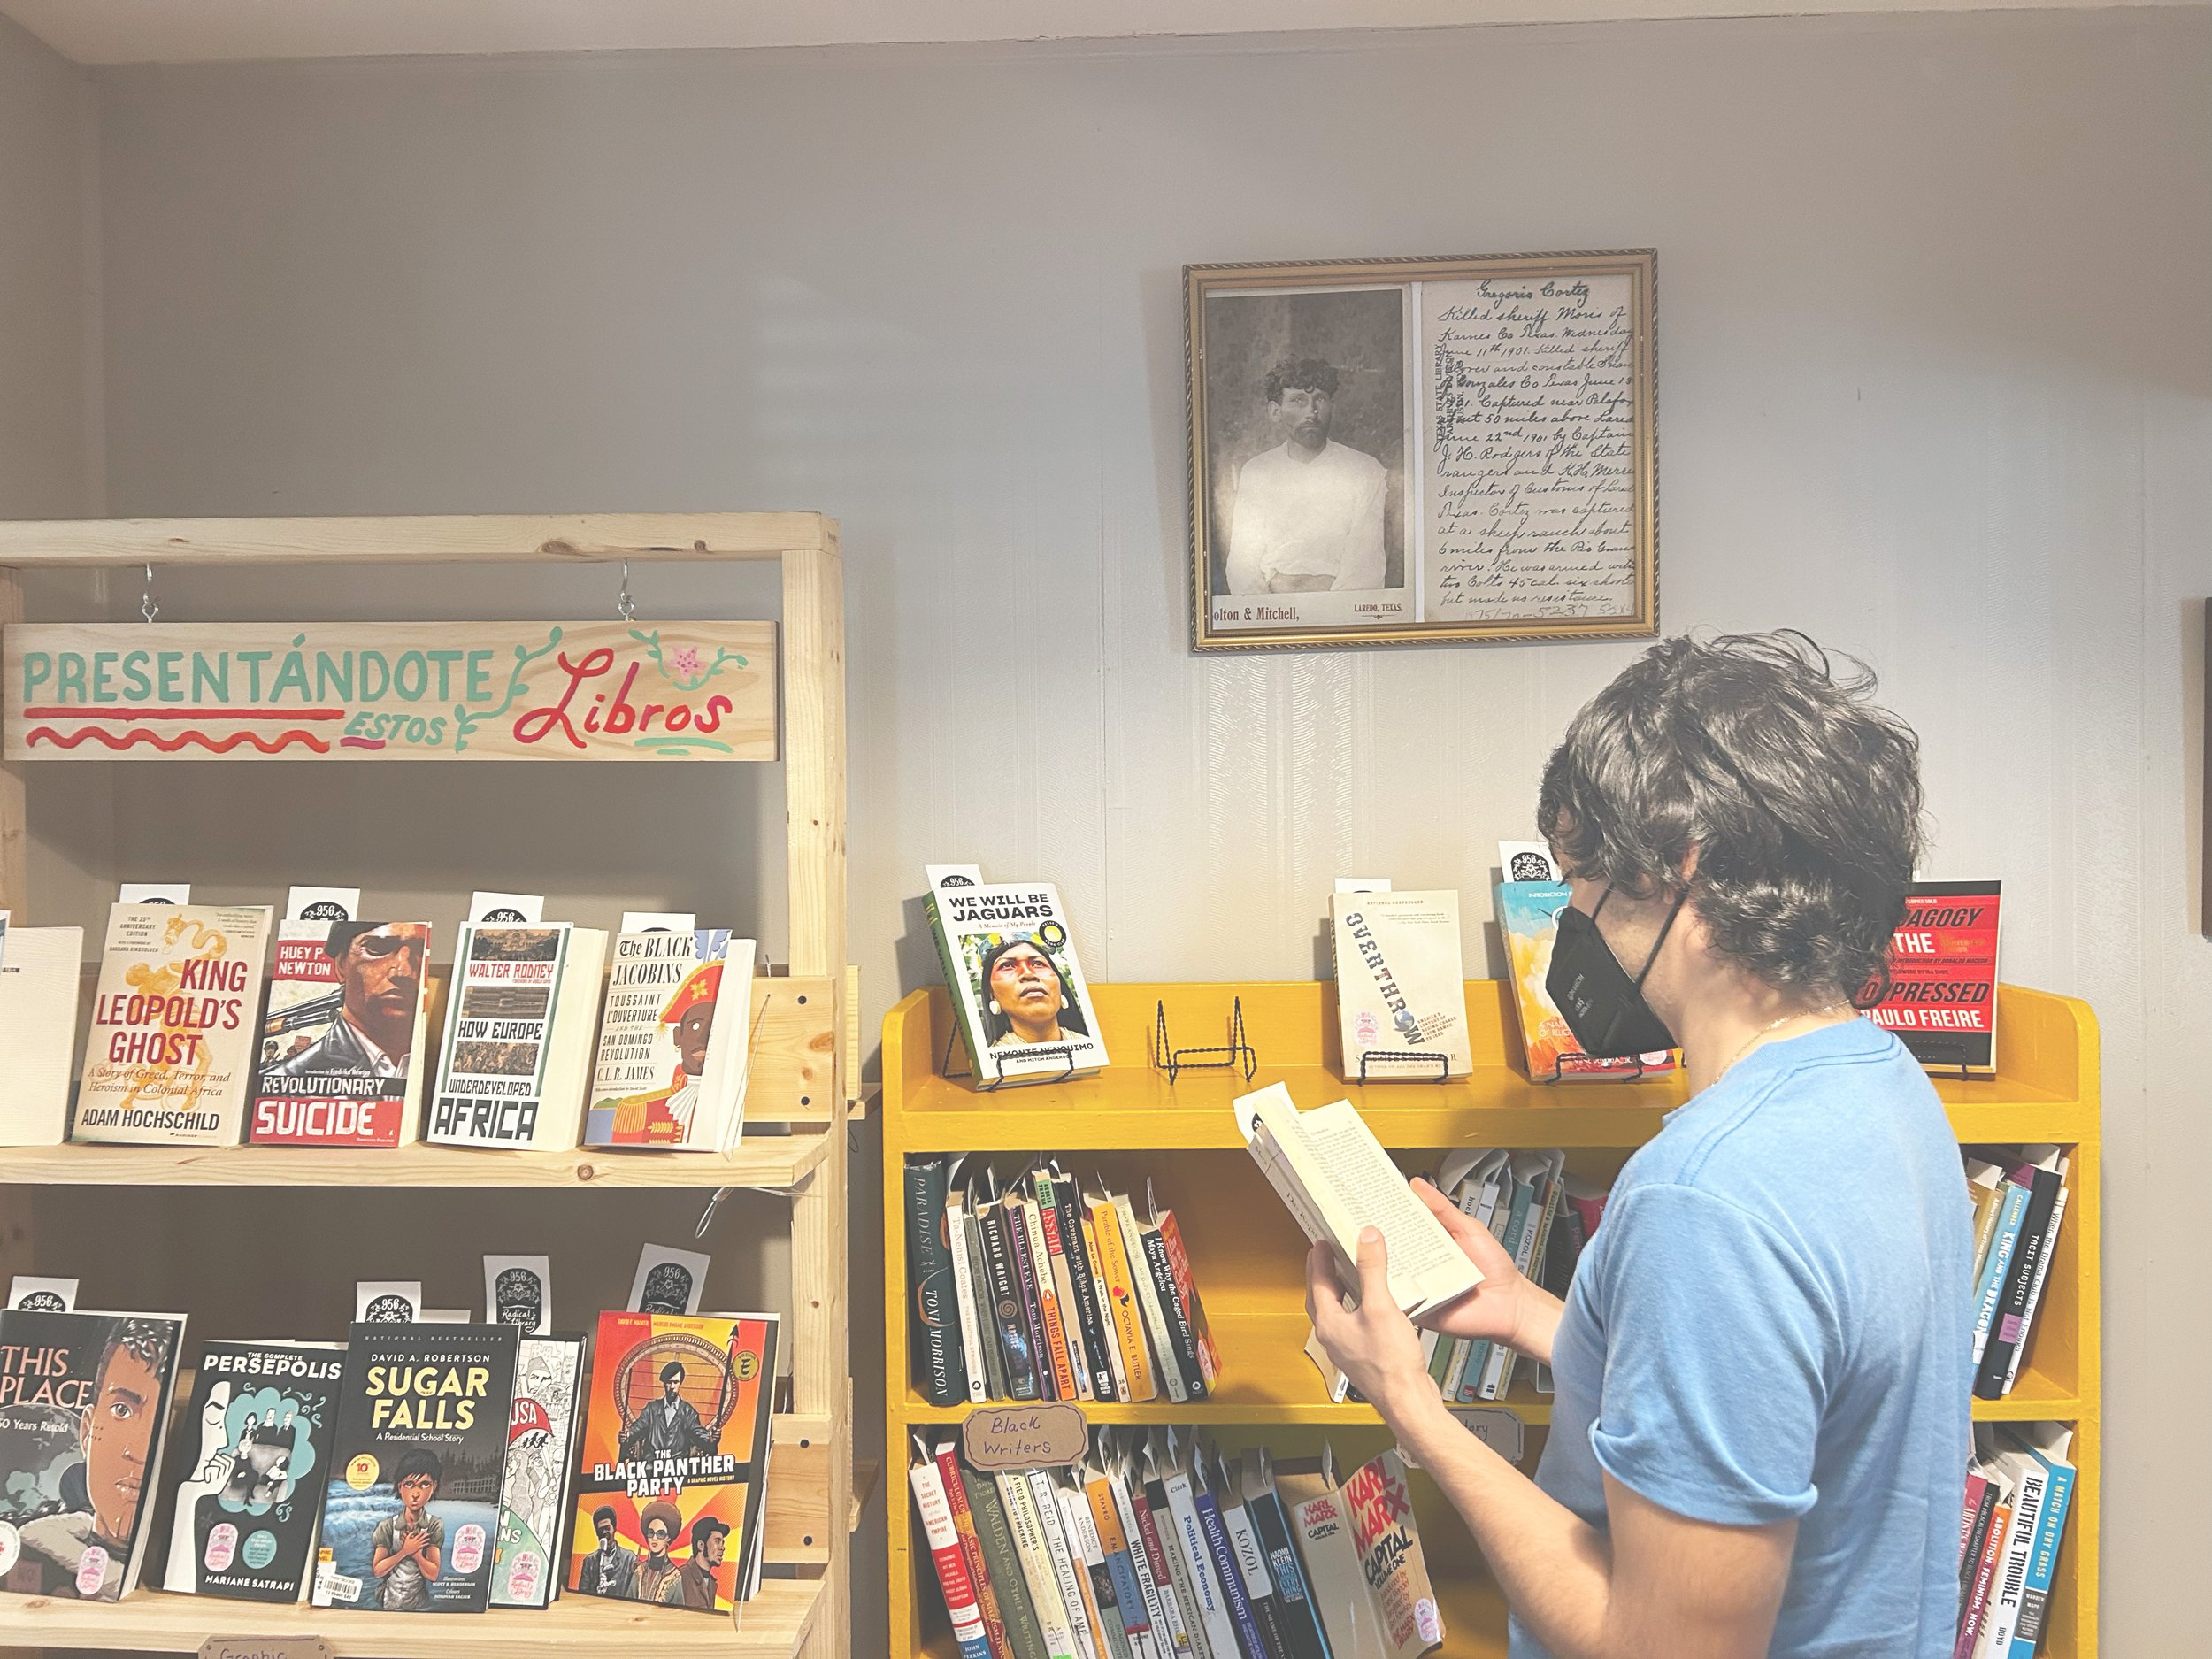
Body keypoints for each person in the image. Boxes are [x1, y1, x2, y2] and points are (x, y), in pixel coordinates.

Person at [1308, 633, 1972, 1659]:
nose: (1572, 912)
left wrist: (1409, 1402)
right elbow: (1794, 1388)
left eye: (1583, 877)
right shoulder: (1881, 1082)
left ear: (1684, 870)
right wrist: (1533, 1315)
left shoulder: (1706, 1197)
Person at [19, 1318, 174, 1601]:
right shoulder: (29, 1548)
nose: (138, 1453)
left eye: (158, 1423)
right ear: (87, 1430)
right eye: (122, 1410)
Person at [1222, 357, 1388, 596]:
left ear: (1332, 406)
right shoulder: (1257, 471)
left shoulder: (1364, 469)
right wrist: (1268, 613)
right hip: (1273, 612)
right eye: (1298, 400)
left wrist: (1327, 610)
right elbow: (1242, 563)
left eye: (1320, 399)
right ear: (1275, 411)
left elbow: (1365, 566)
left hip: (1338, 611)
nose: (1311, 412)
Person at [264, 921, 427, 1080]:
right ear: (341, 964)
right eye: (377, 948)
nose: (404, 972)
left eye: (420, 952)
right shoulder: (286, 1078)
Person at [368, 1448, 443, 1610]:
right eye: (410, 1484)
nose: (416, 1493)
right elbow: (378, 1571)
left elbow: (433, 1574)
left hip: (419, 1604)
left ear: (433, 1487)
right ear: (400, 1486)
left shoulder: (434, 1525)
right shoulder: (387, 1526)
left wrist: (417, 1556)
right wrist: (404, 1551)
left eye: (424, 1484)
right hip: (388, 1602)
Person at [979, 937, 1086, 1048]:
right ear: (992, 994)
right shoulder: (992, 1062)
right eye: (1007, 966)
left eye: (1038, 963)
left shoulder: (1093, 1051)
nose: (1028, 974)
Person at [619, 1360, 717, 1462]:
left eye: (676, 1382)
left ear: (680, 1383)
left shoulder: (688, 1412)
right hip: (651, 1466)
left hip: (678, 1468)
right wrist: (627, 1435)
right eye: (669, 1382)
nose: (673, 1387)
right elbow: (639, 1427)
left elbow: (697, 1433)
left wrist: (710, 1439)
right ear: (664, 1384)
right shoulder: (652, 1409)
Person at [631, 1500, 687, 1605]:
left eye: (660, 1534)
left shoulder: (674, 1576)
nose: (654, 1538)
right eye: (651, 1533)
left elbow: (678, 1612)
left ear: (668, 1537)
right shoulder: (639, 1572)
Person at [576, 1505, 636, 1599]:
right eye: (600, 1530)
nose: (604, 1532)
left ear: (614, 1528)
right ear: (596, 1532)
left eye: (607, 1528)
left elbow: (634, 1592)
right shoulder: (589, 1561)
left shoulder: (629, 1558)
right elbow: (582, 1594)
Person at [679, 1514, 731, 1609]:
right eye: (717, 1541)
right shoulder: (680, 1577)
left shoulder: (712, 1583)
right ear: (701, 1545)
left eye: (722, 1543)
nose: (722, 1547)